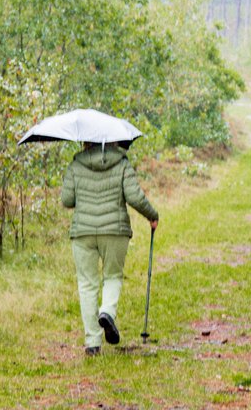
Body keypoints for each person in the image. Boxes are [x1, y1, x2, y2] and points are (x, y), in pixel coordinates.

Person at [61, 140, 159, 356]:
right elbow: (134, 196)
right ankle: (107, 312)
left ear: (85, 141)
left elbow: (67, 200)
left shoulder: (76, 164)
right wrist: (152, 215)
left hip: (83, 233)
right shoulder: (121, 163)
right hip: (115, 231)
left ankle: (93, 343)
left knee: (87, 284)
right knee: (113, 276)